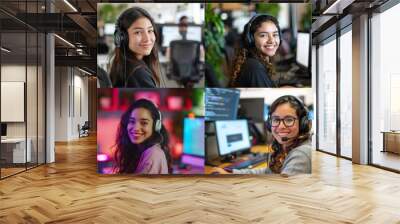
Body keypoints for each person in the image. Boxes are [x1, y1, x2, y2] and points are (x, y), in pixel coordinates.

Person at [211, 95, 312, 176]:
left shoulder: (301, 154)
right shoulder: (289, 148)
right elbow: (269, 172)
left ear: (303, 123)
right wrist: (232, 173)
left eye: (289, 120)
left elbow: (280, 192)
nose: (281, 126)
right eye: (276, 120)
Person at [113, 99, 171, 174]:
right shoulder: (140, 150)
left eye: (144, 123)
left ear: (156, 126)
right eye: (132, 121)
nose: (136, 128)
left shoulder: (153, 154)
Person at [110, 7, 161, 88]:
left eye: (150, 31)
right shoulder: (138, 75)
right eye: (138, 32)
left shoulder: (121, 64)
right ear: (123, 38)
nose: (147, 39)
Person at [229, 14, 281, 87]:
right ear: (251, 39)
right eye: (263, 35)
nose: (271, 40)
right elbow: (270, 98)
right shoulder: (255, 68)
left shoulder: (255, 62)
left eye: (275, 35)